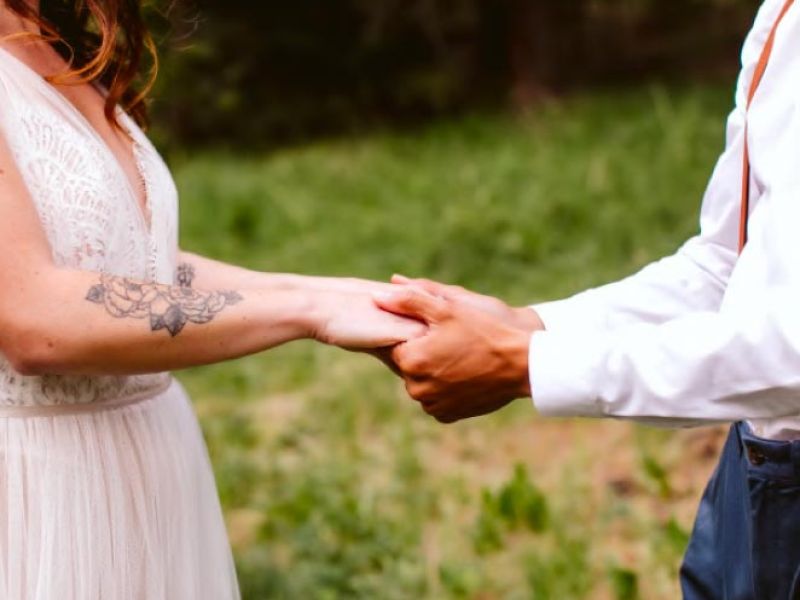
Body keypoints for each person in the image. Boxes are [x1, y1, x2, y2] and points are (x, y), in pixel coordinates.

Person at [374, 0, 800, 597]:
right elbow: (725, 264)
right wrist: (530, 326)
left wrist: (524, 365)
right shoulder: (783, 18)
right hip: (754, 477)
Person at [0, 2, 424, 598]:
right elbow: (35, 318)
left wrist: (338, 294)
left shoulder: (54, 44)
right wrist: (305, 314)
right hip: (40, 494)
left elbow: (123, 263)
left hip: (152, 473)